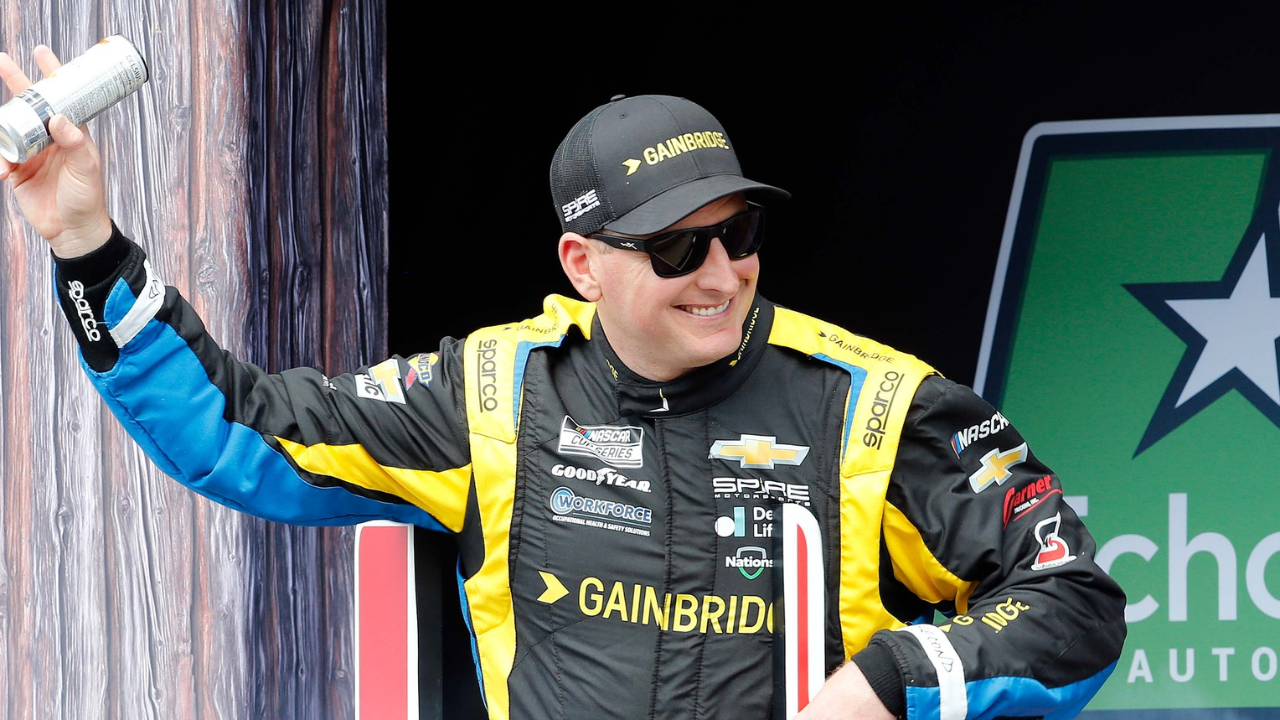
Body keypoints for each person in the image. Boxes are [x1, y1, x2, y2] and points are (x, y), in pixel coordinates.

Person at [1, 45, 1125, 720]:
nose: (721, 274)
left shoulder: (875, 407)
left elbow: (1071, 602)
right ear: (582, 266)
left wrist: (892, 676)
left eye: (736, 234)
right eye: (676, 251)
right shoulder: (491, 396)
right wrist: (89, 246)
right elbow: (233, 434)